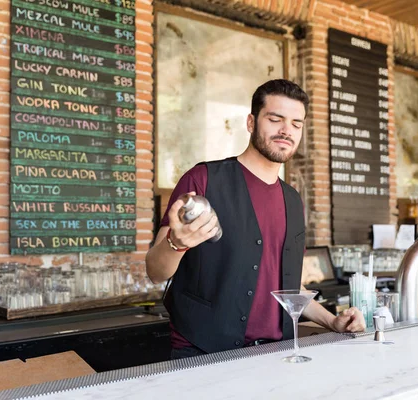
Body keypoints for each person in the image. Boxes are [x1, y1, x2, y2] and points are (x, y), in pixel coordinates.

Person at [146, 79, 365, 360]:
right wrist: (176, 244)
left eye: (297, 124)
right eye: (275, 119)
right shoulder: (203, 180)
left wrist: (332, 321)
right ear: (251, 122)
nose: (287, 130)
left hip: (275, 355)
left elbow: (290, 289)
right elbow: (155, 271)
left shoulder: (293, 201)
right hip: (201, 354)